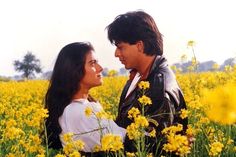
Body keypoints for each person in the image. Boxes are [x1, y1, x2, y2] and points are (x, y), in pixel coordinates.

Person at [106, 10, 188, 154]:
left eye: (120, 47)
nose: (116, 54)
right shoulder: (137, 77)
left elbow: (151, 147)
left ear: (139, 46)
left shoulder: (159, 89)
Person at [45, 42, 126, 156]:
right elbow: (117, 144)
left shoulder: (85, 105)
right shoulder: (76, 111)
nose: (100, 68)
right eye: (93, 63)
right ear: (74, 70)